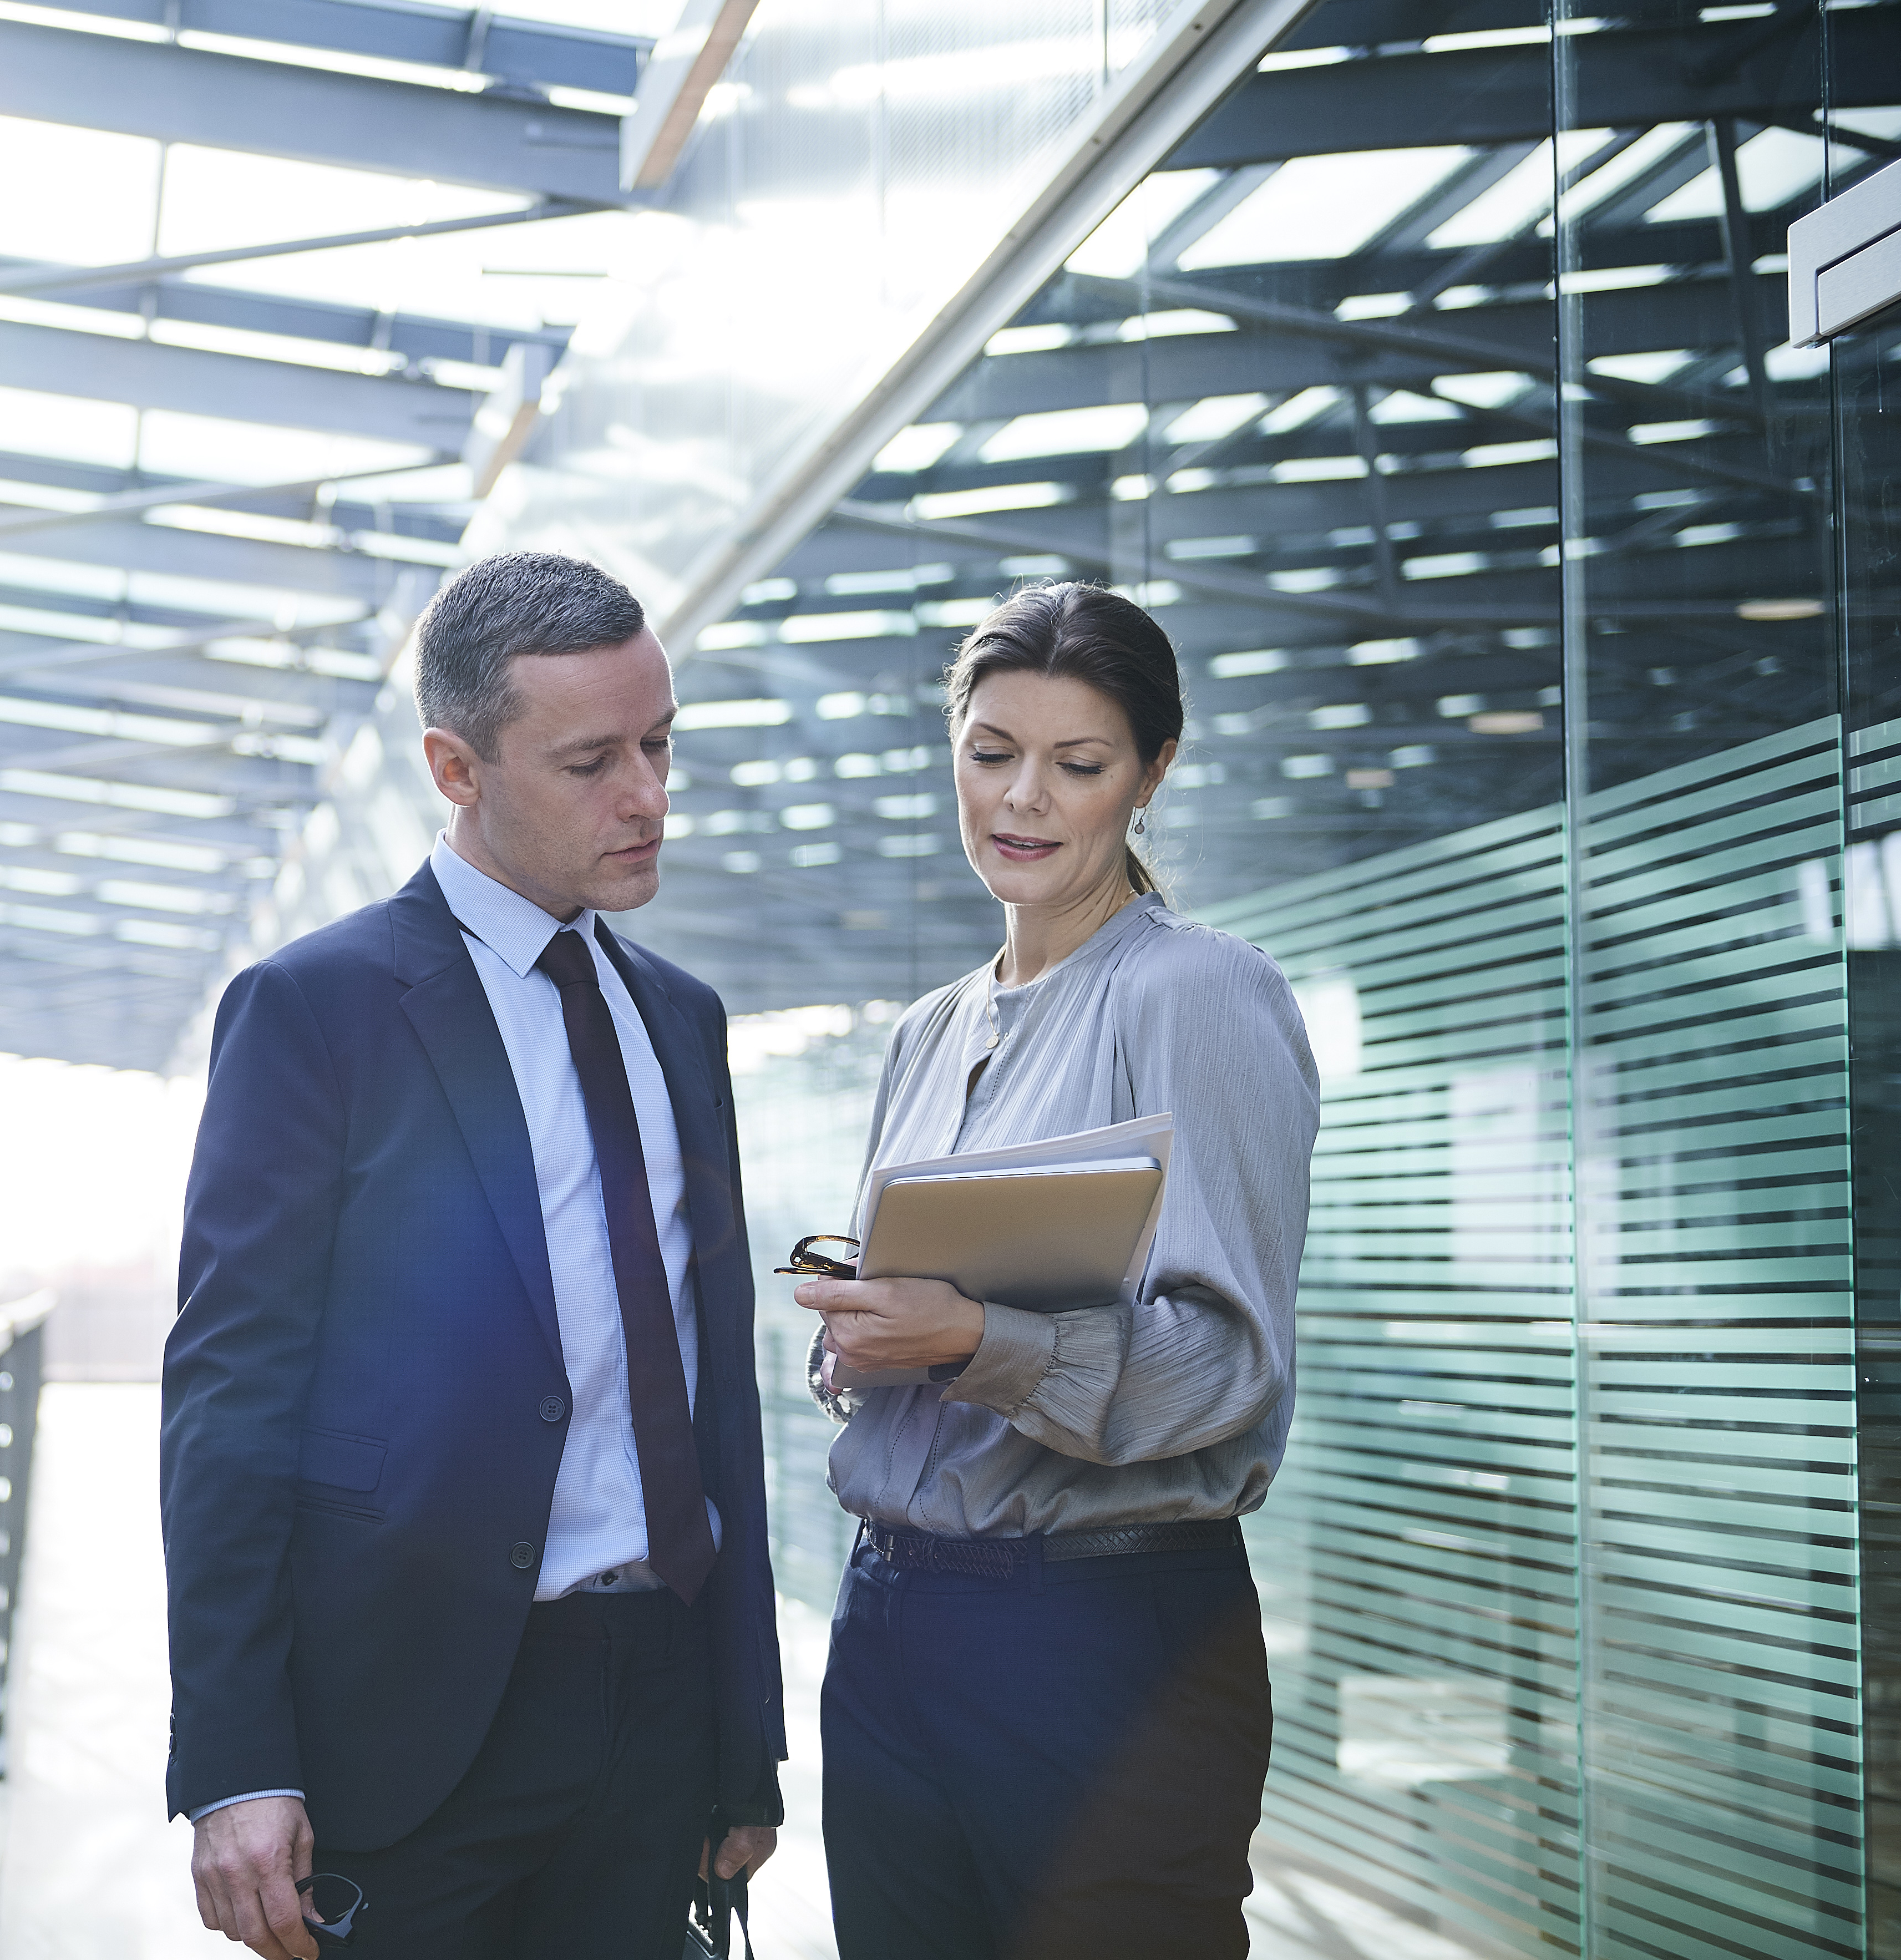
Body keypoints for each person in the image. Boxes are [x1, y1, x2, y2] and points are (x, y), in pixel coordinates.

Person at [164, 551, 786, 1960]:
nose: (647, 795)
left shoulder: (680, 1020)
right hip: (413, 1722)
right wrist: (237, 1762)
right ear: (456, 766)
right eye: (590, 761)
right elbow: (229, 1398)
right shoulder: (317, 1010)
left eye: (659, 743)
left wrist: (743, 1731)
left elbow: (715, 1394)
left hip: (656, 1707)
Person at [792, 583, 1319, 1960]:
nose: (1020, 799)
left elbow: (1227, 1363)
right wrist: (868, 1336)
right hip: (894, 1619)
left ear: (1151, 774)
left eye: (1077, 765)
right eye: (989, 753)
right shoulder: (926, 1031)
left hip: (1103, 1632)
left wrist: (974, 1337)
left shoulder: (1193, 992)